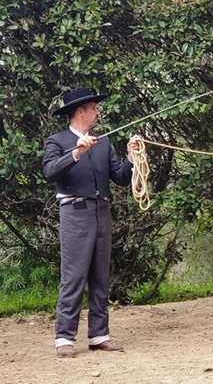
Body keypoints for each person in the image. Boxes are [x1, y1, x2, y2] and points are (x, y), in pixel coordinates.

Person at [42, 88, 139, 358]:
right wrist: (76, 152)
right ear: (80, 111)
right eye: (94, 108)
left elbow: (119, 177)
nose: (98, 112)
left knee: (100, 276)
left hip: (102, 212)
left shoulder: (104, 143)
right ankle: (64, 339)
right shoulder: (58, 141)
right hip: (74, 213)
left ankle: (99, 335)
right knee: (73, 277)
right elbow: (49, 171)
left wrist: (131, 158)